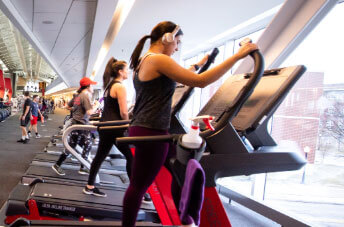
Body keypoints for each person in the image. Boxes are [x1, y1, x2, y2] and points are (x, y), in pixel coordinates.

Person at [120, 21, 257, 227]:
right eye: (177, 42)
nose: (177, 48)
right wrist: (237, 56)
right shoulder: (158, 59)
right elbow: (200, 81)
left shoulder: (146, 60)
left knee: (181, 172)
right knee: (139, 185)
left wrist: (199, 64)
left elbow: (176, 76)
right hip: (152, 130)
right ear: (167, 38)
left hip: (150, 128)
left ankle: (186, 220)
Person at [83, 58, 132, 197]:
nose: (128, 72)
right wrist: (127, 125)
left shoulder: (110, 86)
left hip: (106, 127)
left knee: (99, 157)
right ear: (120, 72)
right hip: (115, 128)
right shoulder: (120, 87)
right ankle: (137, 191)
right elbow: (123, 112)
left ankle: (90, 186)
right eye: (126, 70)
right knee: (131, 157)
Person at [52, 77, 99, 176]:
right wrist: (96, 105)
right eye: (92, 85)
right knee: (86, 144)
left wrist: (76, 111)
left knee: (77, 145)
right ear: (88, 86)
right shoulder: (85, 96)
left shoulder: (78, 95)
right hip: (81, 124)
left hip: (77, 123)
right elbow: (90, 112)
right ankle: (81, 166)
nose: (93, 87)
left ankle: (62, 164)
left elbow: (68, 106)